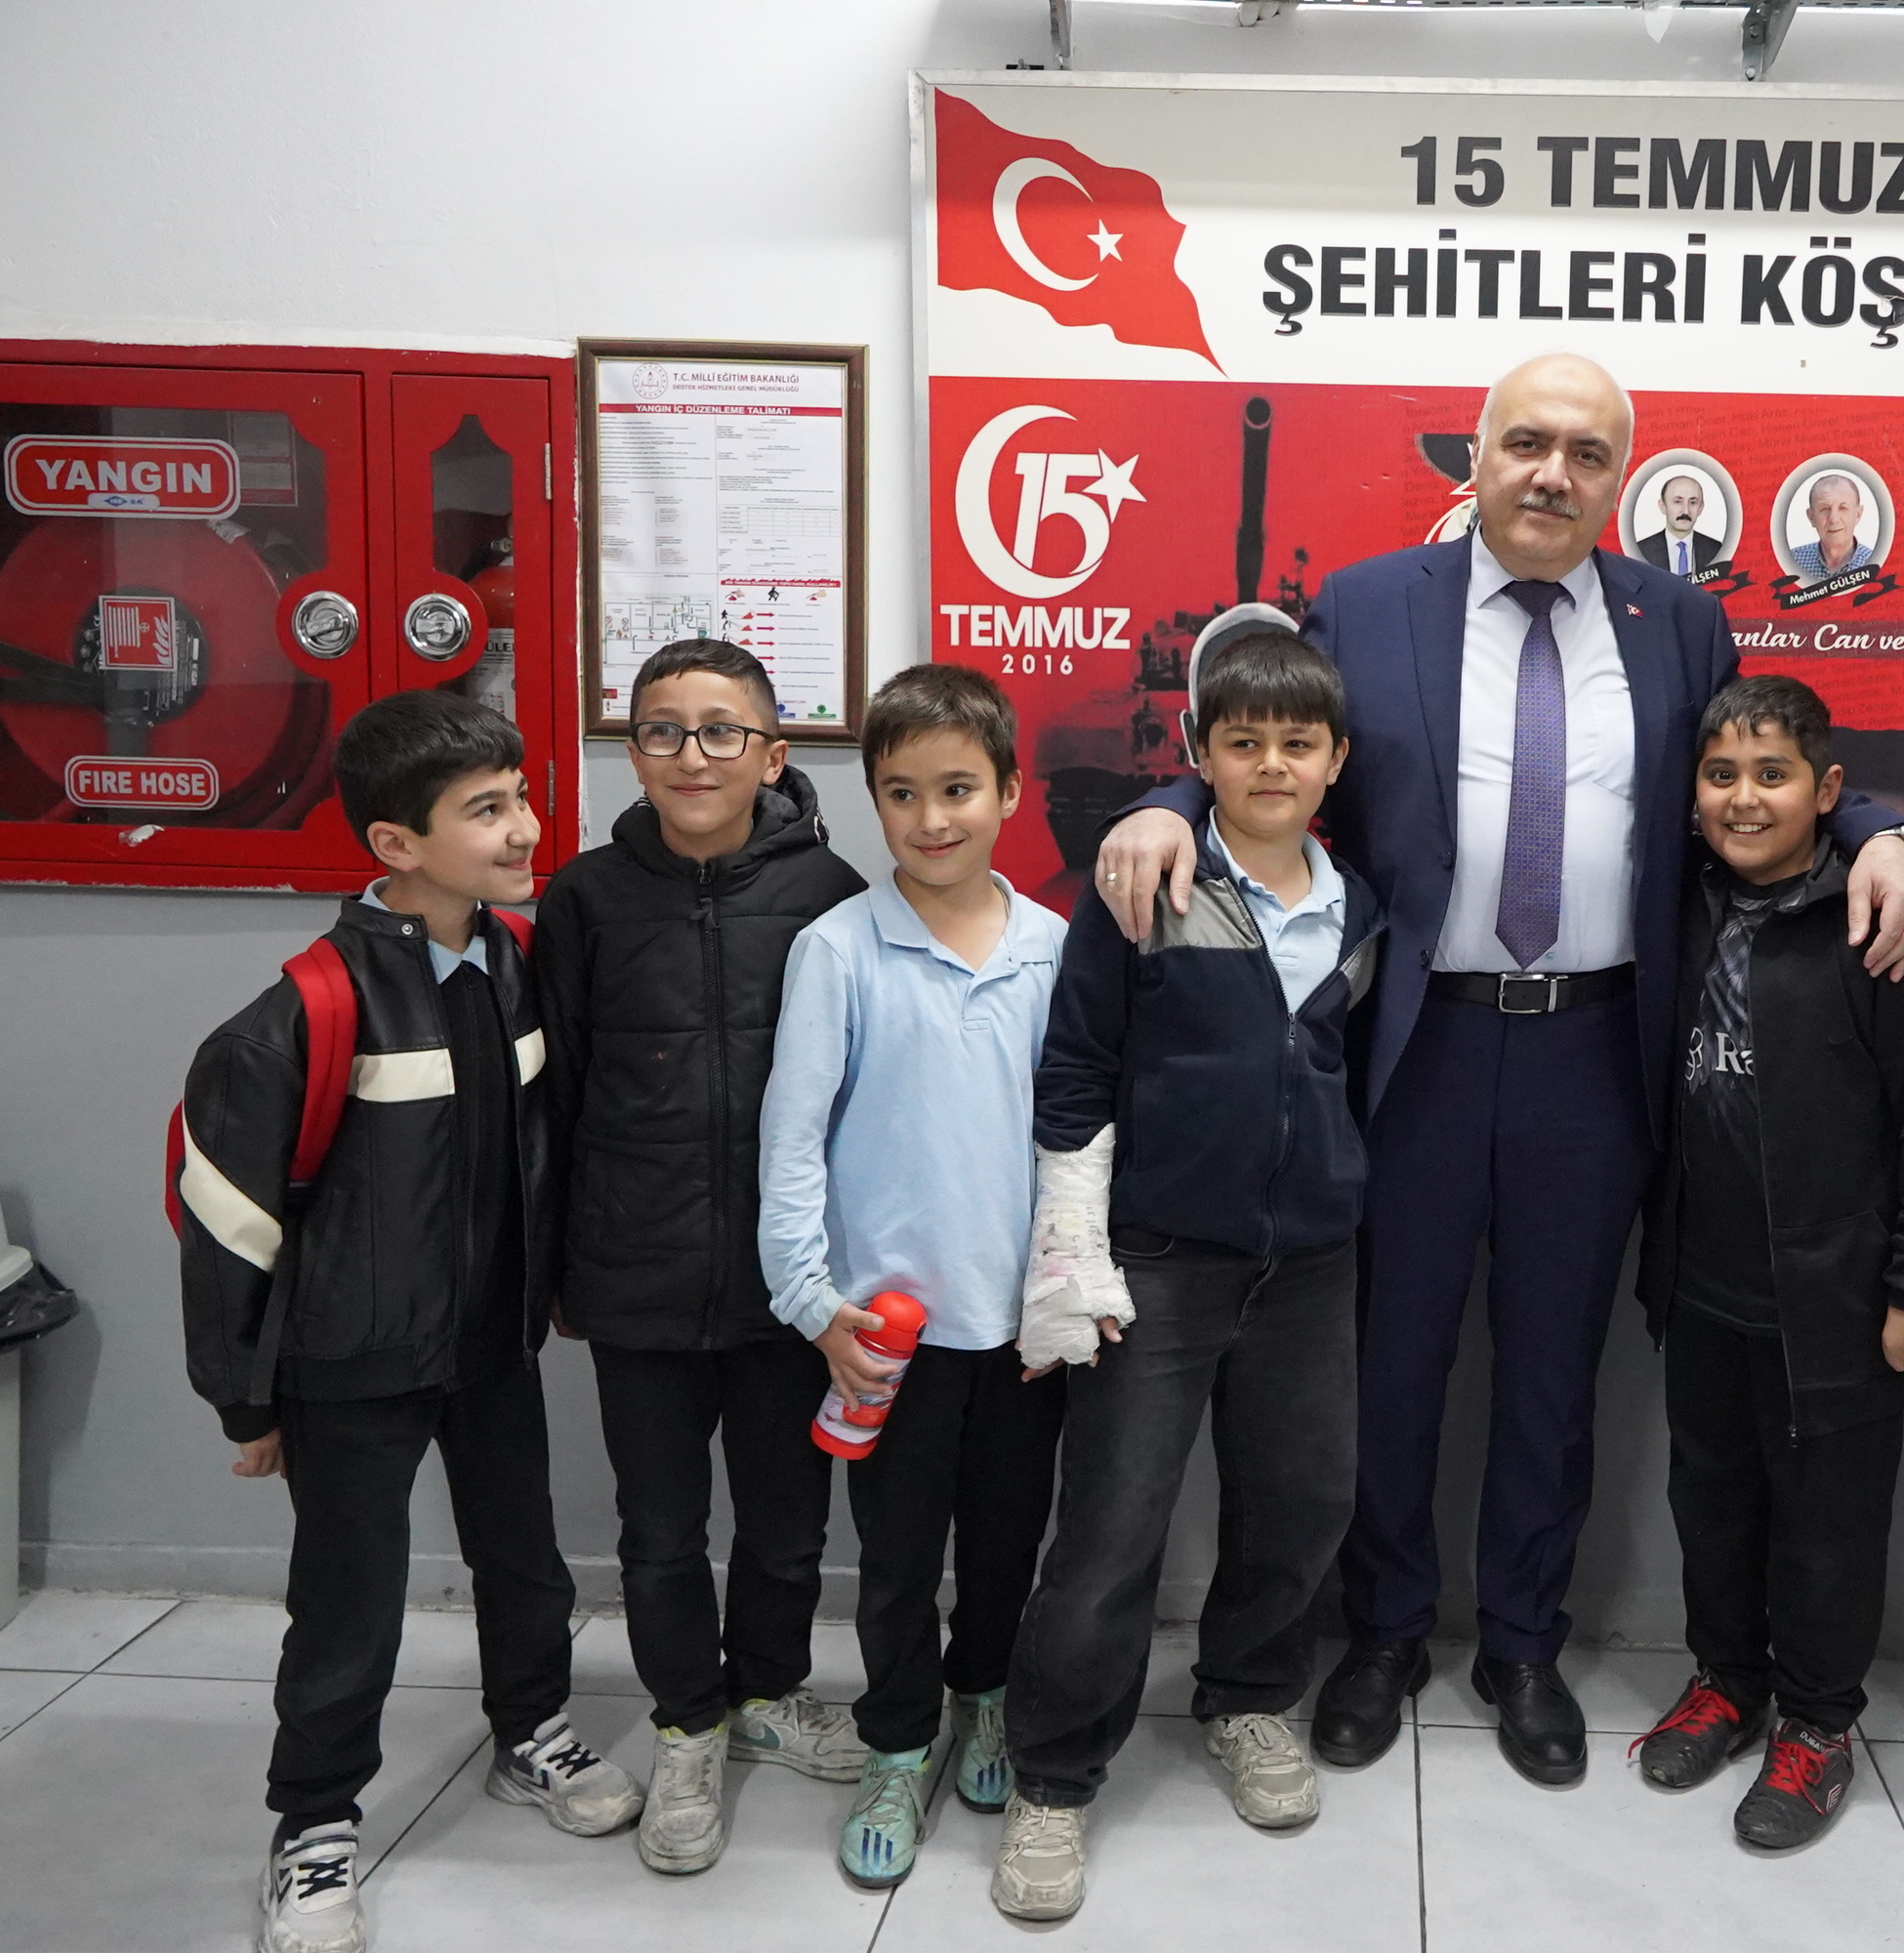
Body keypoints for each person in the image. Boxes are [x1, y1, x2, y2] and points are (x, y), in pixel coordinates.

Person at [1093, 352, 1904, 1790]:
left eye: (1588, 453)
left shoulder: (1679, 620)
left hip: (1595, 1051)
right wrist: (1172, 802)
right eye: (1529, 443)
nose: (1555, 473)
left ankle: (1524, 1643)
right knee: (1394, 1358)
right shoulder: (1370, 602)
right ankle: (1381, 1633)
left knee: (1554, 1368)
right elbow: (1270, 735)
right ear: (1476, 457)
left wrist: (1878, 834)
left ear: (1620, 479)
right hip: (1418, 1043)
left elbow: (1763, 772)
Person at [175, 690, 640, 1953]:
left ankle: (530, 1729)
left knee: (524, 1557)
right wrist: (247, 1400)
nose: (523, 828)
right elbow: (227, 1225)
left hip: (489, 1346)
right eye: (485, 810)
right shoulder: (301, 1018)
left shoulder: (517, 967)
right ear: (396, 844)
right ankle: (314, 1825)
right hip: (349, 1366)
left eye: (521, 797)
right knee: (349, 1599)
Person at [990, 617, 1382, 1920]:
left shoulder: (1360, 904)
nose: (1271, 765)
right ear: (1198, 752)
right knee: (1110, 1528)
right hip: (1158, 1260)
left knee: (1302, 1501)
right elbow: (1075, 1066)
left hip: (1309, 1263)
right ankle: (1053, 1777)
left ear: (1335, 760)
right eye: (1243, 741)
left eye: (1297, 743)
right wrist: (1074, 1244)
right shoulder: (1142, 885)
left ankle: (1250, 1697)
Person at [1629, 676, 1904, 1850]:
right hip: (1702, 1284)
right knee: (1711, 1500)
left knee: (1825, 1525)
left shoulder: (1879, 922)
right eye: (1719, 775)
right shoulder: (1679, 902)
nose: (1743, 799)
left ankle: (1818, 1721)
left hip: (1838, 1302)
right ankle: (1726, 1680)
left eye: (1771, 774)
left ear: (1826, 789)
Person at [533, 639, 869, 1876]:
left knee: (787, 1522)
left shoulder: (832, 889)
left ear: (772, 756)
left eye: (722, 729)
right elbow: (557, 1094)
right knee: (659, 1528)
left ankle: (766, 1690)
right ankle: (687, 1721)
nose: (693, 753)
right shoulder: (583, 898)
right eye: (663, 729)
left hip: (791, 1284)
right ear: (632, 753)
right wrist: (558, 1267)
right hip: (636, 1269)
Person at [757, 663, 1070, 1891]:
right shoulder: (837, 949)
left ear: (1008, 790)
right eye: (901, 793)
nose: (930, 818)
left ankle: (982, 1694)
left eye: (957, 789)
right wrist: (812, 1302)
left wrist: (1068, 1294)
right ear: (874, 799)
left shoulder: (1053, 948)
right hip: (884, 1335)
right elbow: (791, 1143)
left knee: (1005, 1540)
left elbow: (1079, 1141)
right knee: (892, 1559)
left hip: (1022, 1330)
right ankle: (896, 1741)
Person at [1636, 473, 1728, 578]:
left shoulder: (1716, 550)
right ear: (1663, 506)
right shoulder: (1641, 551)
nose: (1685, 511)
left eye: (1693, 503)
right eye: (1678, 502)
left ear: (1700, 508)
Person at [1790, 472, 1877, 582]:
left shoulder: (1875, 564)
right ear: (1812, 517)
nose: (1834, 519)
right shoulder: (1792, 563)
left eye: (1843, 508)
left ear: (1858, 515)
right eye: (1825, 509)